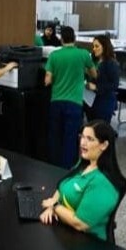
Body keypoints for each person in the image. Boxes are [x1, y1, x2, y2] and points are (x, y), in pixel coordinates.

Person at [39, 120, 126, 242]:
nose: (83, 143)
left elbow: (80, 223)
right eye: (82, 137)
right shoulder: (84, 163)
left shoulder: (103, 183)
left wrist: (54, 206)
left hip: (88, 242)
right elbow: (62, 186)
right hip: (66, 231)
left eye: (90, 139)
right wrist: (51, 208)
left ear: (104, 145)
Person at [45, 26, 97, 168]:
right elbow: (94, 74)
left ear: (61, 39)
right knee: (71, 138)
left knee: (55, 137)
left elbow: (47, 80)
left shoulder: (54, 55)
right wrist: (82, 70)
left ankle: (53, 168)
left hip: (56, 102)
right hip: (74, 103)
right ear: (74, 38)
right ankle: (67, 169)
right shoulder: (83, 54)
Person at [86, 35, 120, 123]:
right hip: (92, 100)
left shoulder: (111, 63)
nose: (94, 49)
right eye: (93, 46)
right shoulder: (95, 61)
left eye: (97, 46)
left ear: (105, 47)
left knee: (100, 127)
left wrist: (96, 87)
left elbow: (114, 84)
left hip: (104, 102)